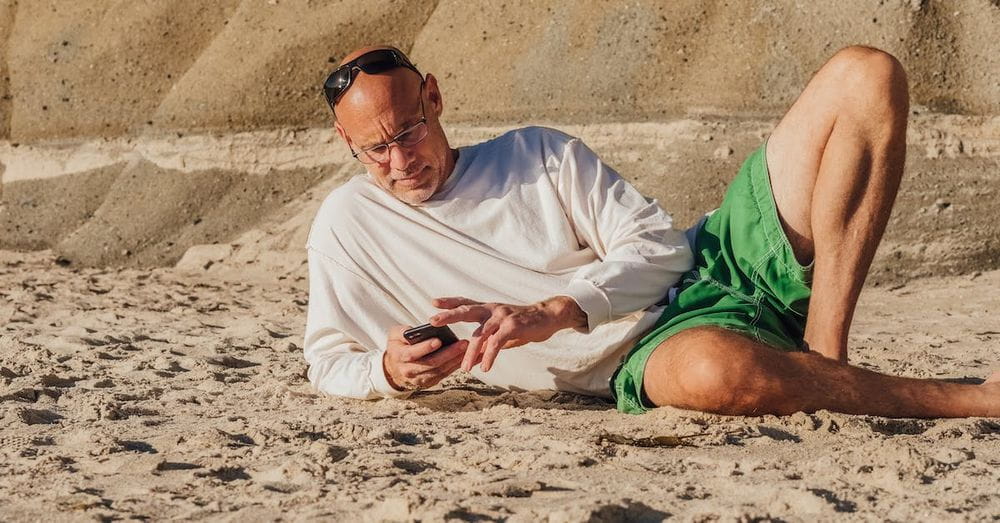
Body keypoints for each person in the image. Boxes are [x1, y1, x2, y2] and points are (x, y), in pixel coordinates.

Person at [304, 45, 1000, 417]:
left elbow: (663, 248)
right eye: (374, 149)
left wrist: (558, 310)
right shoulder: (349, 226)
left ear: (434, 95)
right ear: (346, 143)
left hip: (717, 263)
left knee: (866, 75)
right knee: (716, 375)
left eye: (409, 130)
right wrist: (389, 371)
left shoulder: (536, 152)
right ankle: (972, 399)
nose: (399, 160)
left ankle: (826, 353)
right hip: (649, 353)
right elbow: (329, 361)